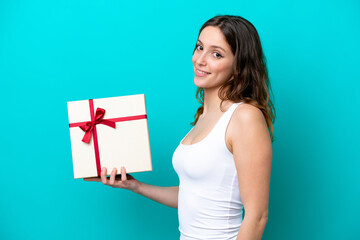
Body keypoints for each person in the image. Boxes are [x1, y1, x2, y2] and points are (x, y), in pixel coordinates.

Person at [84, 15, 275, 240]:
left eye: (216, 54)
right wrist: (136, 186)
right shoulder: (204, 116)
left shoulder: (245, 117)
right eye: (199, 47)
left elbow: (258, 215)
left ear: (238, 65)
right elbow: (193, 196)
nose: (200, 60)